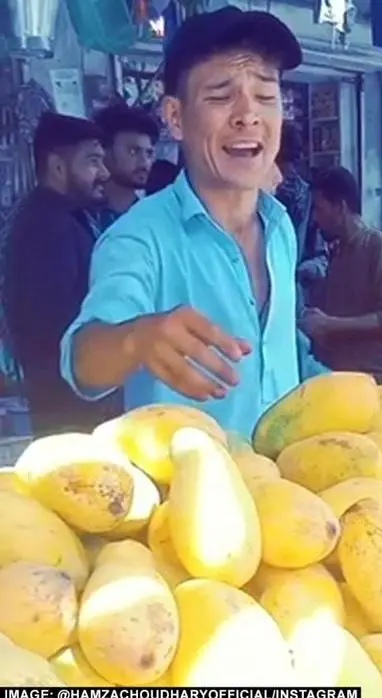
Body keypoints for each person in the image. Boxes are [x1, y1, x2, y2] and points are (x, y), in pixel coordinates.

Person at [58, 6, 315, 436]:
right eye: (220, 95)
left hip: (288, 491)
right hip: (190, 495)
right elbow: (82, 360)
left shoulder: (281, 227)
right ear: (175, 118)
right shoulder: (139, 238)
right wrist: (136, 338)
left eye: (267, 97)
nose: (248, 115)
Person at [2, 112, 121, 434]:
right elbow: (50, 323)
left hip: (72, 399)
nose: (105, 172)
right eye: (93, 161)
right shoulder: (45, 226)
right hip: (69, 407)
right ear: (57, 166)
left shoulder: (63, 218)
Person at [300, 166, 382, 382]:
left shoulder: (381, 248)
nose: (315, 219)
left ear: (340, 207)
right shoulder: (338, 253)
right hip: (336, 378)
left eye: (319, 209)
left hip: (374, 380)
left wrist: (329, 324)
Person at [273, 122, 329, 302]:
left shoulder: (308, 199)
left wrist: (307, 269)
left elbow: (322, 257)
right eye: (281, 162)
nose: (287, 171)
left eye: (292, 162)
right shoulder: (249, 196)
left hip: (296, 297)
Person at [90, 103, 159, 231]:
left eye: (148, 153)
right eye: (133, 151)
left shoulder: (154, 218)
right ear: (104, 151)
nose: (144, 163)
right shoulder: (84, 219)